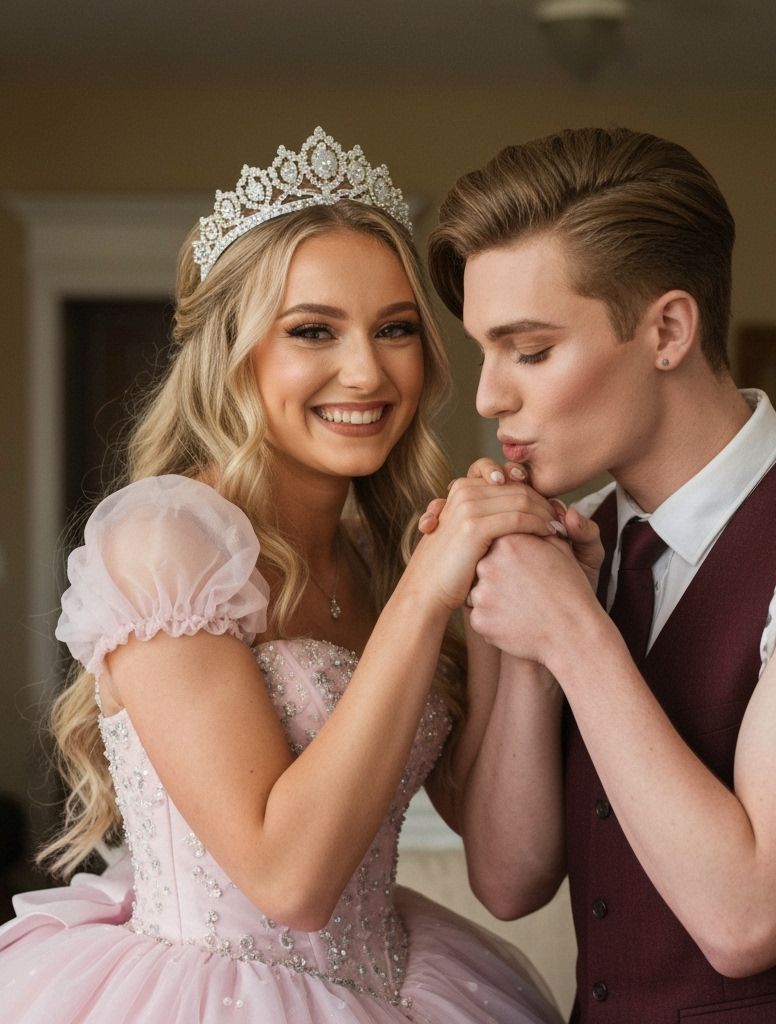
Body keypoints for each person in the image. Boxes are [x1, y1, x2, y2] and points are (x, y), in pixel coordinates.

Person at [0, 127, 564, 1024]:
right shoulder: (165, 542)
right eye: (313, 330)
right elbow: (286, 878)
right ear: (236, 351)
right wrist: (428, 592)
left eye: (396, 330)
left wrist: (517, 604)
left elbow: (511, 870)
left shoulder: (383, 555)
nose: (366, 371)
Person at [423, 127, 776, 1024]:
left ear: (669, 330)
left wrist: (571, 630)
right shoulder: (570, 547)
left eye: (528, 351)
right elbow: (507, 877)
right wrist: (527, 638)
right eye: (483, 352)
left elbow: (747, 918)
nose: (489, 398)